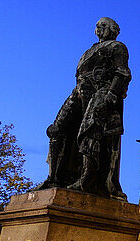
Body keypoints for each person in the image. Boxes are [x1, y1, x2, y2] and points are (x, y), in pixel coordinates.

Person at [40, 17, 131, 199]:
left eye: (103, 26)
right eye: (97, 26)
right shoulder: (89, 51)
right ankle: (54, 178)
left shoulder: (117, 47)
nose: (99, 28)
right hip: (79, 90)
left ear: (112, 29)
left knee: (90, 130)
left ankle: (86, 180)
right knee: (57, 130)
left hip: (101, 90)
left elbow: (122, 73)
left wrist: (111, 95)